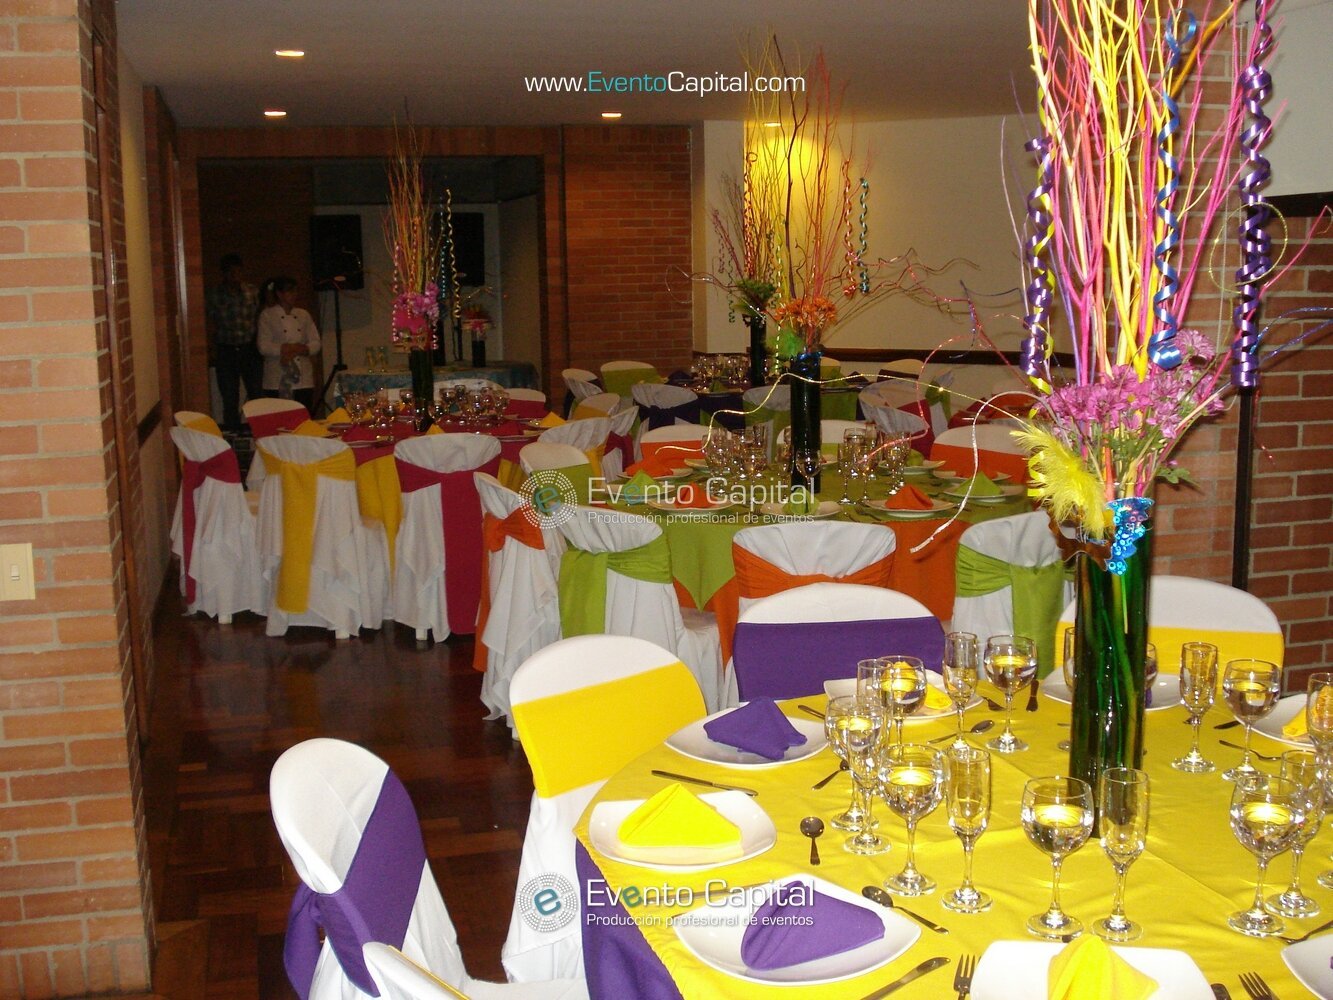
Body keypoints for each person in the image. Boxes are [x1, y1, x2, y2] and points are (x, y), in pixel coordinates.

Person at [204, 253, 262, 432]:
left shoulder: (252, 291)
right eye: (231, 272)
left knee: (256, 393)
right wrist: (211, 348)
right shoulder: (215, 295)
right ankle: (233, 434)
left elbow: (259, 317)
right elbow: (208, 322)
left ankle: (259, 431)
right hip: (226, 349)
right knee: (229, 396)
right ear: (224, 274)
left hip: (249, 348)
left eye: (238, 272)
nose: (235, 276)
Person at [257, 277, 322, 413]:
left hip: (303, 378)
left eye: (295, 291)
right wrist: (285, 349)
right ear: (279, 294)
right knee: (280, 417)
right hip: (276, 377)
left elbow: (316, 342)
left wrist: (303, 349)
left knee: (303, 415)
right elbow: (263, 346)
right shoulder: (267, 315)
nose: (294, 295)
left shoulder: (303, 314)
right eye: (290, 291)